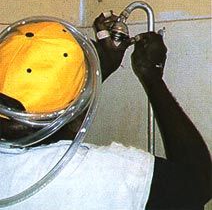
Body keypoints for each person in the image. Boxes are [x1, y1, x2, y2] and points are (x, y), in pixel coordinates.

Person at [0, 13, 211, 210]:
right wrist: (152, 78)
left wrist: (100, 69)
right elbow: (198, 185)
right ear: (75, 112)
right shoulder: (98, 175)